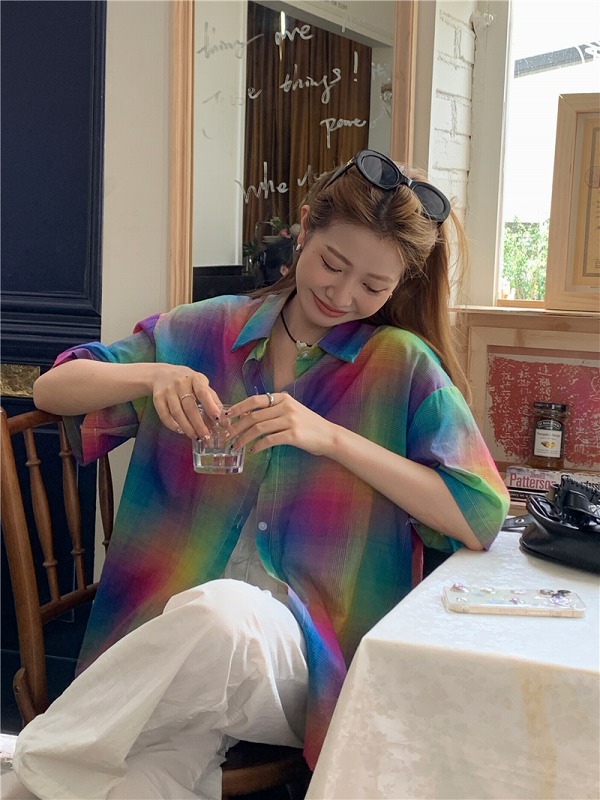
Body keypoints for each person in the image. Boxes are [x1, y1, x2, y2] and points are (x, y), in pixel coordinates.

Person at [3, 149, 510, 800]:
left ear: (400, 286)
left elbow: (479, 514)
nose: (343, 295)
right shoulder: (203, 331)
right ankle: (27, 776)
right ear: (304, 228)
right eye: (332, 264)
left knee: (224, 615)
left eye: (373, 286)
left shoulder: (401, 365)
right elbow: (53, 387)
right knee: (142, 773)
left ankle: (25, 756)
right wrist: (153, 374)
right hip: (159, 650)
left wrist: (333, 439)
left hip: (307, 666)